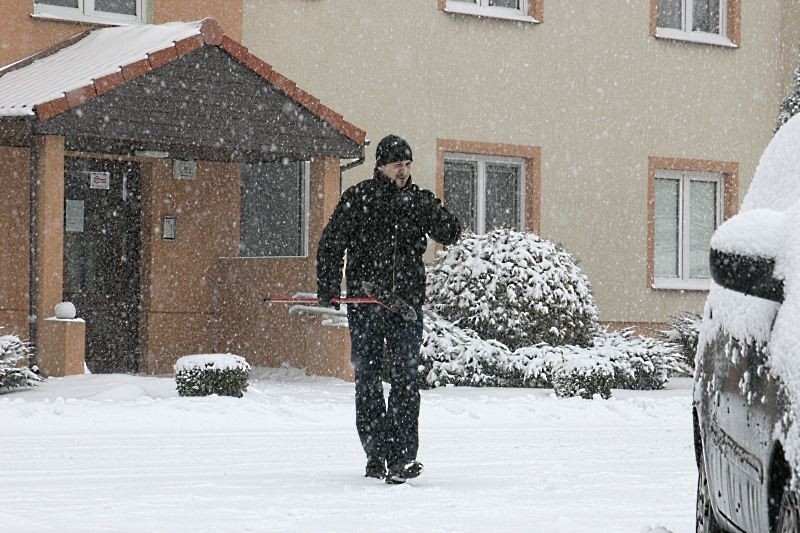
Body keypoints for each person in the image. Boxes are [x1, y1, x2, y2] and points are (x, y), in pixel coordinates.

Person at [316, 134, 461, 484]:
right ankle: (375, 453)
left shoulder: (417, 200)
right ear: (381, 164)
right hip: (366, 304)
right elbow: (332, 243)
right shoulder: (358, 199)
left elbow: (451, 232)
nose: (404, 170)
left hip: (406, 307)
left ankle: (401, 457)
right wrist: (329, 286)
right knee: (367, 380)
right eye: (398, 164)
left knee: (405, 381)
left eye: (408, 164)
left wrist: (433, 210)